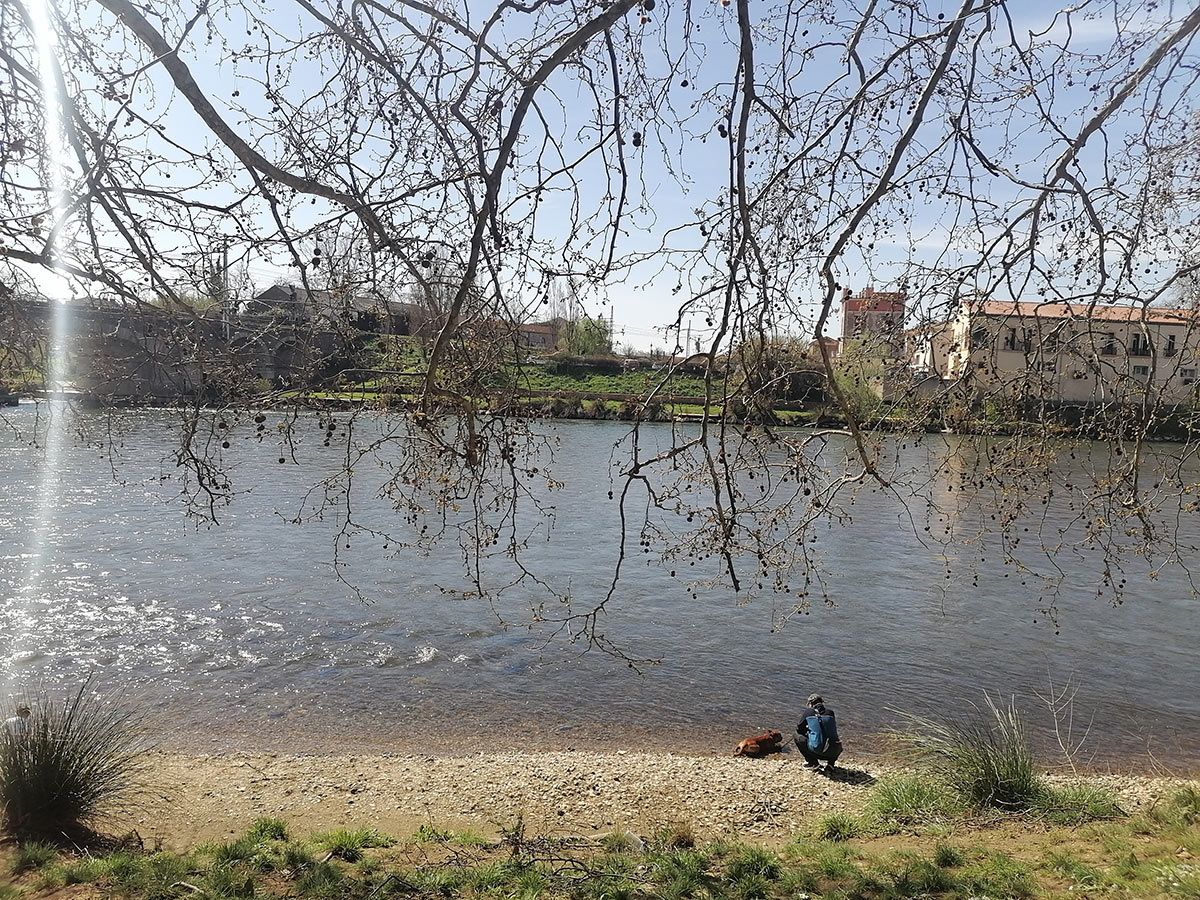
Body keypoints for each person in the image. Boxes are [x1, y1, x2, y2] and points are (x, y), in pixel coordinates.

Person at [795, 692, 842, 770]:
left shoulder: (809, 712)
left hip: (819, 752)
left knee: (796, 736)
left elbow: (799, 729)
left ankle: (813, 763)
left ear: (810, 704)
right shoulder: (830, 713)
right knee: (831, 735)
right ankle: (831, 764)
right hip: (835, 751)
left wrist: (808, 730)